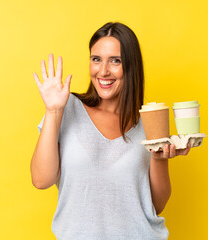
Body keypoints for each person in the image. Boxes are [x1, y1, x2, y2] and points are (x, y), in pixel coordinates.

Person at [31, 22, 191, 240]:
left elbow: (156, 205)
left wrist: (160, 159)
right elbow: (41, 180)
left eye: (115, 61)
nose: (103, 71)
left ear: (131, 66)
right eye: (96, 59)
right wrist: (53, 111)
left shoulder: (148, 122)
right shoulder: (66, 108)